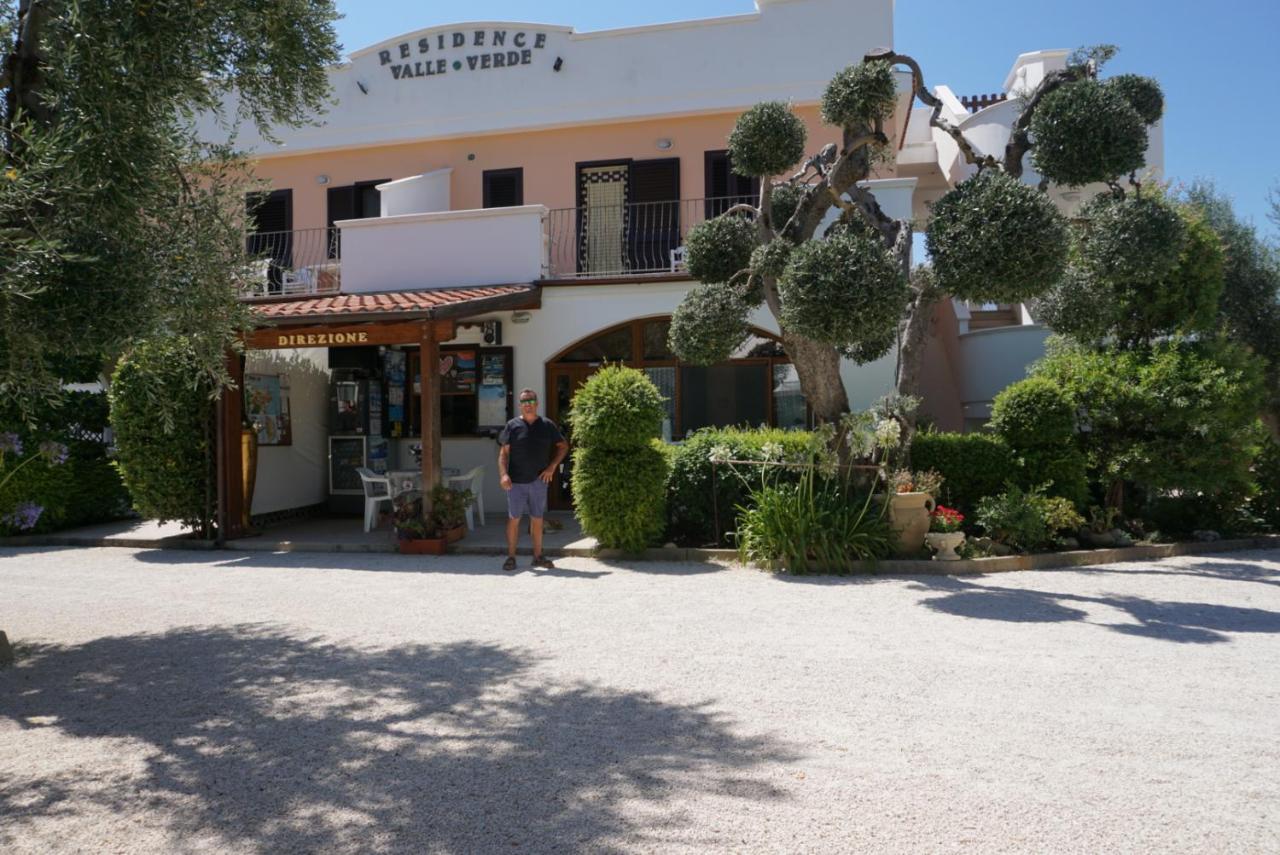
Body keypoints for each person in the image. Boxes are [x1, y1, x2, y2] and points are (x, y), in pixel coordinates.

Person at [498, 388, 569, 571]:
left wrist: (552, 467)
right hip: (515, 482)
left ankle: (538, 557)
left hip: (539, 481)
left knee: (537, 519)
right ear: (519, 405)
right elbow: (503, 454)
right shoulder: (512, 426)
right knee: (514, 519)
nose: (527, 405)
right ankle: (511, 557)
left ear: (537, 404)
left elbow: (563, 446)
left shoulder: (547, 425)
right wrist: (504, 474)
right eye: (524, 402)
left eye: (530, 402)